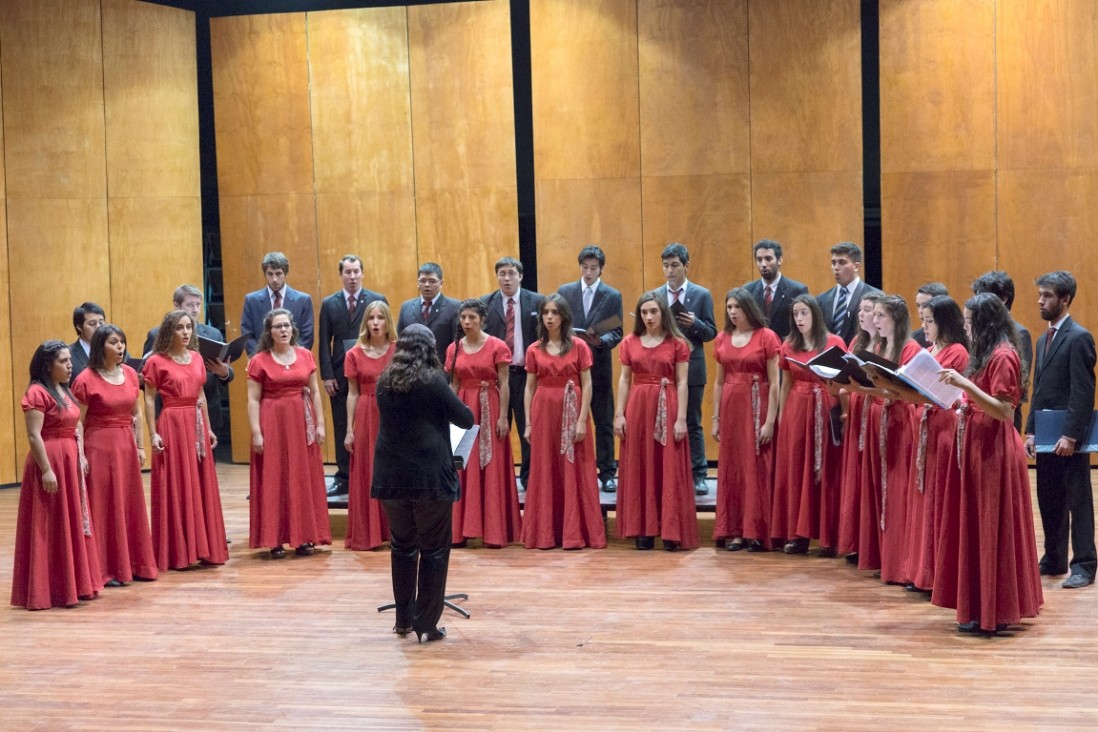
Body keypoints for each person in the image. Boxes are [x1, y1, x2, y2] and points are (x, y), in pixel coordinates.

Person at [934, 293, 1044, 633]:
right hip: (977, 443)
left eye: (969, 321)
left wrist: (964, 384)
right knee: (975, 524)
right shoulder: (984, 353)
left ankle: (994, 610)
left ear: (985, 322)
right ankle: (977, 605)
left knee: (990, 526)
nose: (965, 327)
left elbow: (1004, 412)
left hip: (993, 448)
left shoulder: (1004, 355)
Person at [372, 324, 475, 643]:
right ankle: (426, 623)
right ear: (429, 349)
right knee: (433, 549)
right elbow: (466, 419)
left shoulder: (385, 381)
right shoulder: (432, 380)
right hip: (429, 478)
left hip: (391, 477)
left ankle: (403, 620)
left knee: (402, 547)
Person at [11, 341, 103, 609]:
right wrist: (47, 470)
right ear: (47, 365)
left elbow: (77, 427)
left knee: (70, 519)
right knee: (49, 523)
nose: (69, 364)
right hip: (50, 462)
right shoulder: (38, 393)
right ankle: (47, 590)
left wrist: (82, 455)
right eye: (63, 361)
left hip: (69, 459)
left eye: (68, 360)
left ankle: (73, 584)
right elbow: (33, 435)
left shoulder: (64, 390)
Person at [1024, 271, 1097, 589]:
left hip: (1068, 437)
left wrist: (1071, 435)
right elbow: (1038, 389)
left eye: (1047, 295)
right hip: (1045, 435)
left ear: (1065, 299)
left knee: (1078, 499)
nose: (1040, 300)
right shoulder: (1043, 339)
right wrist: (1030, 431)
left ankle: (1084, 563)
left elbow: (1083, 391)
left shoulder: (1079, 337)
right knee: (1049, 497)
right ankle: (1053, 557)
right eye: (1040, 294)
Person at [72, 325, 158, 587]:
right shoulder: (85, 379)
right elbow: (77, 422)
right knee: (103, 505)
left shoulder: (131, 374)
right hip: (98, 446)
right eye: (113, 342)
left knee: (128, 503)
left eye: (122, 342)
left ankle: (134, 563)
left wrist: (141, 446)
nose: (120, 347)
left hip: (125, 445)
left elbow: (137, 413)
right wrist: (81, 455)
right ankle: (105, 569)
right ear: (101, 346)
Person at [143, 310, 228, 571]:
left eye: (188, 327)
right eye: (180, 327)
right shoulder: (156, 361)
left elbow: (200, 394)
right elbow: (148, 398)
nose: (186, 332)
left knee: (200, 483)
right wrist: (152, 433)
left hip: (196, 423)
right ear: (169, 331)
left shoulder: (197, 357)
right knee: (177, 483)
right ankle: (179, 551)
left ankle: (203, 547)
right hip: (171, 421)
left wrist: (209, 427)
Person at [522, 295, 608, 550]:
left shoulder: (580, 346)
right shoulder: (534, 349)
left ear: (564, 316)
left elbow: (588, 383)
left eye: (554, 313)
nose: (549, 317)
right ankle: (546, 533)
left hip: (573, 410)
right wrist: (527, 423)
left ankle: (576, 531)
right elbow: (529, 388)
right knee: (545, 468)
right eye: (546, 312)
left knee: (575, 468)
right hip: (544, 411)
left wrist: (582, 420)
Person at [614, 293, 698, 551]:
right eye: (644, 312)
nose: (648, 317)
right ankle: (643, 528)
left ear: (663, 313)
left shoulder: (677, 343)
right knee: (640, 464)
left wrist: (681, 418)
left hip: (668, 404)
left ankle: (671, 530)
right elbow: (625, 379)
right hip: (638, 406)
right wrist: (619, 413)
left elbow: (683, 382)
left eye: (653, 312)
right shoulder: (630, 342)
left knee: (668, 466)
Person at [247, 309, 331, 559]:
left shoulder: (306, 355)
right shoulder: (259, 360)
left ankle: (304, 536)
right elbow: (252, 399)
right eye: (277, 327)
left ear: (293, 328)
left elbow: (315, 392)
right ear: (269, 332)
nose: (283, 330)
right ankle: (274, 539)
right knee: (275, 475)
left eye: (286, 326)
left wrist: (320, 424)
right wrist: (256, 432)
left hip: (301, 422)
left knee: (302, 476)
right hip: (272, 421)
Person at [902, 296, 968, 593]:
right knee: (924, 498)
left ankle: (938, 574)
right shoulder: (928, 351)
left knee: (939, 499)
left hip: (943, 430)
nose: (924, 326)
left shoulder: (957, 352)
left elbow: (944, 394)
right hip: (926, 430)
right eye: (923, 320)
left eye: (929, 321)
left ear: (944, 322)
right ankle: (922, 571)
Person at [771, 295, 846, 555]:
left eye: (804, 313)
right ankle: (798, 535)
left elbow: (843, 383)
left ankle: (828, 537)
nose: (799, 319)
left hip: (825, 405)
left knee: (827, 468)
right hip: (798, 408)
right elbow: (786, 384)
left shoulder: (835, 343)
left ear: (815, 314)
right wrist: (782, 418)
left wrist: (841, 412)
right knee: (797, 470)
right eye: (795, 314)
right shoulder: (789, 345)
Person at [444, 298, 522, 547]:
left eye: (472, 318)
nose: (466, 322)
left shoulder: (497, 346)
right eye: (463, 317)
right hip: (463, 407)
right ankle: (460, 532)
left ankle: (494, 532)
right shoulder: (453, 348)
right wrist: (448, 415)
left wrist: (503, 416)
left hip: (489, 405)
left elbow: (505, 383)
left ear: (482, 320)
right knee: (461, 464)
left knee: (490, 465)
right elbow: (454, 384)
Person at [712, 287, 781, 552]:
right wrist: (716, 417)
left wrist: (770, 420)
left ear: (748, 308)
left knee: (757, 465)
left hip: (758, 403)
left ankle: (757, 530)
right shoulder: (722, 338)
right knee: (733, 467)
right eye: (729, 307)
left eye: (737, 307)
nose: (733, 312)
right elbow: (718, 382)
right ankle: (734, 530)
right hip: (731, 406)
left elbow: (775, 383)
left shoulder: (766, 336)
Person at [861, 296, 923, 586]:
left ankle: (903, 565)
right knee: (882, 491)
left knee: (900, 492)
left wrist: (870, 388)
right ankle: (887, 560)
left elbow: (906, 392)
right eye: (874, 315)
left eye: (881, 316)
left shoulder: (910, 348)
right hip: (880, 422)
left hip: (900, 422)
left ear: (896, 319)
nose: (875, 322)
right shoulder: (877, 346)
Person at [558, 245, 624, 494]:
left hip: (599, 365)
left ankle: (607, 472)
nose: (588, 272)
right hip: (571, 368)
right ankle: (573, 470)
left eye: (593, 268)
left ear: (601, 270)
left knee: (603, 422)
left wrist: (601, 340)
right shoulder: (565, 292)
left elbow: (617, 331)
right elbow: (558, 323)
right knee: (571, 421)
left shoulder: (612, 295)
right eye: (585, 267)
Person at [318, 255, 386, 496]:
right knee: (341, 424)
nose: (352, 276)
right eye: (347, 272)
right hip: (339, 374)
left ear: (363, 273)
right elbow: (324, 341)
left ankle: (376, 471)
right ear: (341, 275)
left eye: (356, 271)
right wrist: (327, 375)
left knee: (376, 424)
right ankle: (345, 475)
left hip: (370, 375)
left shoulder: (377, 300)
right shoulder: (329, 303)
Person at [481, 257, 545, 489]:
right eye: (502, 274)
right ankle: (501, 480)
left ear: (520, 276)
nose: (506, 278)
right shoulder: (485, 303)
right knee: (498, 428)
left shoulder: (537, 301)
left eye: (511, 274)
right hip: (496, 378)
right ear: (497, 277)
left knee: (528, 427)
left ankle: (529, 479)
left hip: (526, 375)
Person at [659, 243, 717, 495]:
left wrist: (695, 323)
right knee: (663, 421)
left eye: (674, 265)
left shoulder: (701, 294)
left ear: (685, 265)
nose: (669, 271)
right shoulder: (656, 296)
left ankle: (698, 474)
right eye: (666, 266)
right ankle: (666, 472)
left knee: (691, 421)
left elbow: (712, 332)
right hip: (662, 369)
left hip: (692, 368)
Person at [143, 284, 234, 435]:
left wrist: (225, 372)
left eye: (198, 304)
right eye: (190, 305)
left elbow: (226, 374)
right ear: (177, 306)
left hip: (207, 407)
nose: (195, 309)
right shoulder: (156, 335)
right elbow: (147, 377)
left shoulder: (213, 334)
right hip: (171, 410)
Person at [344, 300, 397, 551]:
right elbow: (352, 393)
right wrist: (349, 430)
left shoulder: (399, 351)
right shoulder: (354, 353)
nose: (375, 323)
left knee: (394, 472)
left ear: (388, 322)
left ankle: (395, 530)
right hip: (366, 413)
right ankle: (369, 533)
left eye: (380, 318)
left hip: (394, 414)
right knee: (368, 470)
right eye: (371, 318)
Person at [835, 292, 883, 564]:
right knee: (855, 475)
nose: (863, 314)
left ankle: (872, 542)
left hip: (874, 410)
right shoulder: (856, 341)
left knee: (871, 475)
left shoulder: (884, 345)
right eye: (862, 310)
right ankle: (856, 541)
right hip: (856, 410)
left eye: (869, 310)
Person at [972, 271, 1032, 432]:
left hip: (1003, 418)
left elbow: (1018, 386)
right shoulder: (980, 333)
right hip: (980, 415)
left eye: (984, 297)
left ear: (1003, 299)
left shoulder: (1019, 334)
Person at [241, 251, 314, 356]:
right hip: (263, 362)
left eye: (278, 273)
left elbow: (307, 336)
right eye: (270, 274)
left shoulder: (302, 300)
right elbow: (247, 336)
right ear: (265, 274)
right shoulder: (252, 300)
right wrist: (259, 358)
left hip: (293, 361)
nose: (274, 279)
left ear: (285, 274)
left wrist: (292, 358)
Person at [816, 242, 883, 345]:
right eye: (833, 263)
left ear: (856, 266)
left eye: (842, 262)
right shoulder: (821, 299)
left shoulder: (877, 297)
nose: (836, 267)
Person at [742, 239, 809, 341]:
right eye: (759, 260)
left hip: (786, 349)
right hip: (756, 351)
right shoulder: (747, 290)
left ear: (780, 260)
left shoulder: (797, 290)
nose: (763, 264)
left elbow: (803, 327)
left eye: (768, 259)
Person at [397, 262, 461, 362]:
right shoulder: (406, 307)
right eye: (423, 281)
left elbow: (457, 345)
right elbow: (400, 343)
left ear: (441, 283)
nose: (427, 285)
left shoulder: (454, 307)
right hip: (411, 370)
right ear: (418, 283)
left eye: (432, 281)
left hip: (441, 370)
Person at [69, 302, 106, 383]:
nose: (99, 327)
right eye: (92, 324)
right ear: (79, 327)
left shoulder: (114, 349)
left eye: (101, 323)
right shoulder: (68, 354)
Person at [910, 282, 949, 348]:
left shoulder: (959, 337)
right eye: (918, 305)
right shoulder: (914, 339)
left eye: (925, 305)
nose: (920, 311)